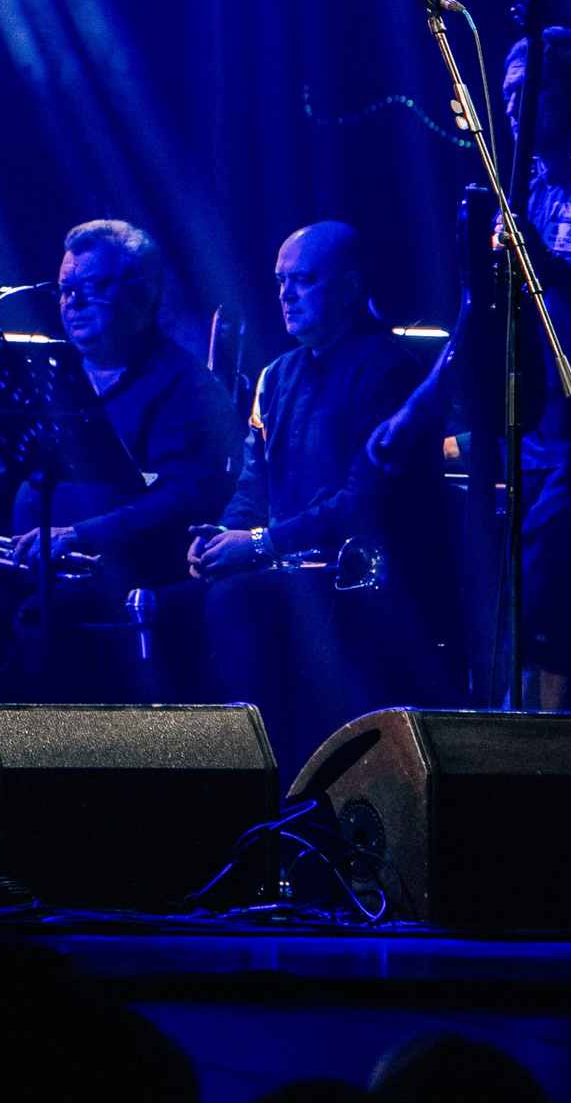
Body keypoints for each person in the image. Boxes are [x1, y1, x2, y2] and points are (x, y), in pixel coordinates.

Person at [374, 29, 571, 710]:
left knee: (540, 619)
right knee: (490, 611)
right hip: (533, 445)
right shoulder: (526, 194)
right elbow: (482, 319)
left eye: (527, 91)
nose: (512, 108)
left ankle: (532, 764)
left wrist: (546, 262)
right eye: (504, 94)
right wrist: (420, 415)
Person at [0, 219, 230, 701]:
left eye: (95, 287)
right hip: (36, 565)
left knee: (44, 615)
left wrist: (78, 534)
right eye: (65, 289)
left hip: (118, 574)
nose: (73, 302)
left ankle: (10, 752)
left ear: (144, 295)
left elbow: (184, 497)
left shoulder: (184, 385)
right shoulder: (51, 373)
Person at [185, 224, 435, 774]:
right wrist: (223, 535)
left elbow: (364, 502)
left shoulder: (387, 370)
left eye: (304, 279)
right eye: (280, 281)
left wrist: (257, 543)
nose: (286, 294)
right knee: (190, 598)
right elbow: (255, 484)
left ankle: (276, 782)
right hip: (290, 571)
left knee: (236, 602)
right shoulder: (277, 376)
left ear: (348, 287)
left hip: (359, 584)